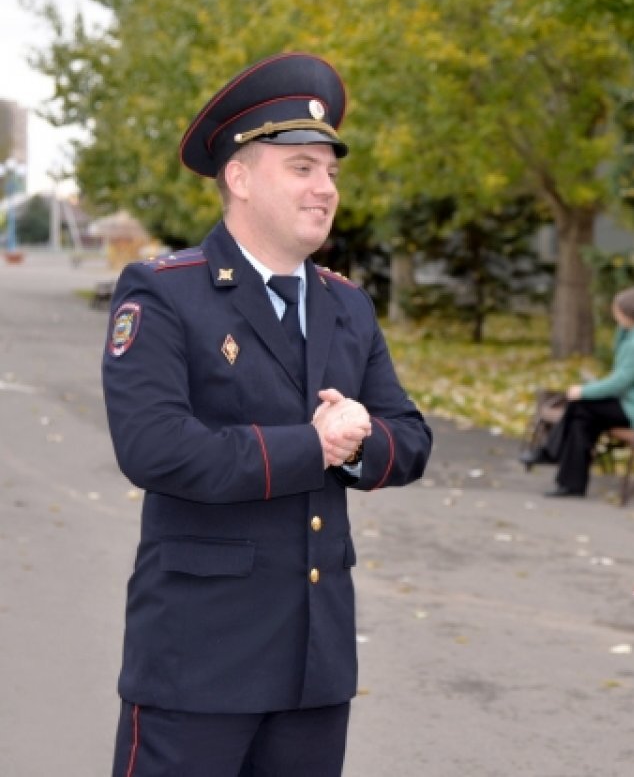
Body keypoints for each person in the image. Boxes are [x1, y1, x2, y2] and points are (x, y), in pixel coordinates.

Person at [102, 52, 433, 776]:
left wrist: (358, 441)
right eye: (302, 168)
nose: (325, 189)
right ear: (241, 177)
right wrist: (309, 447)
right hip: (198, 662)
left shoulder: (346, 304)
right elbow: (155, 446)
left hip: (314, 666)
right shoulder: (164, 293)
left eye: (331, 173)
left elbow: (409, 439)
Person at [520, 286, 634, 497]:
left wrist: (583, 391)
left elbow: (620, 381)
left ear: (630, 313)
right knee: (582, 421)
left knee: (580, 404)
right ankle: (570, 484)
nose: (614, 313)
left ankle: (551, 454)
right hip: (628, 403)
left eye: (617, 309)